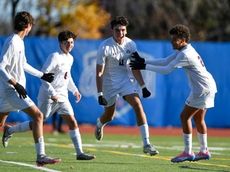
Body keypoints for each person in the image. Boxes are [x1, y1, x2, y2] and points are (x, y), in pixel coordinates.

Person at [3, 30, 96, 160]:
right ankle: (10, 130)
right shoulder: (54, 57)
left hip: (62, 97)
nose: (69, 45)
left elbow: (67, 77)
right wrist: (52, 93)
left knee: (72, 121)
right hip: (48, 96)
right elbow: (43, 77)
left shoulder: (70, 58)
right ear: (60, 43)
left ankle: (79, 153)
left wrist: (74, 90)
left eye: (71, 42)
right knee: (38, 121)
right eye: (66, 43)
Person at [130, 24, 217, 162]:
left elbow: (167, 69)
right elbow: (165, 61)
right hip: (208, 86)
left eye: (174, 39)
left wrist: (144, 66)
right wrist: (144, 61)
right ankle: (204, 150)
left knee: (184, 117)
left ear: (182, 40)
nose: (172, 42)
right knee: (198, 118)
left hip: (202, 89)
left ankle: (188, 152)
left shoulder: (185, 54)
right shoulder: (185, 49)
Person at [0, 11, 61, 166]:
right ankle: (41, 155)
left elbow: (23, 64)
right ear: (27, 26)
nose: (31, 29)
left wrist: (42, 75)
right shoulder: (12, 41)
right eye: (31, 25)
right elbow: (1, 66)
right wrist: (16, 84)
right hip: (11, 91)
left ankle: (8, 130)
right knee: (38, 116)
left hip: (13, 90)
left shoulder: (20, 41)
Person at [95, 16, 159, 156]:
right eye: (117, 30)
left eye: (123, 30)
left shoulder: (131, 44)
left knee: (138, 105)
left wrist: (143, 86)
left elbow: (135, 67)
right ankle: (100, 123)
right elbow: (99, 72)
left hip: (125, 81)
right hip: (109, 84)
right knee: (109, 116)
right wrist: (99, 94)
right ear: (112, 30)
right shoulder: (104, 47)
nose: (121, 33)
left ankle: (147, 144)